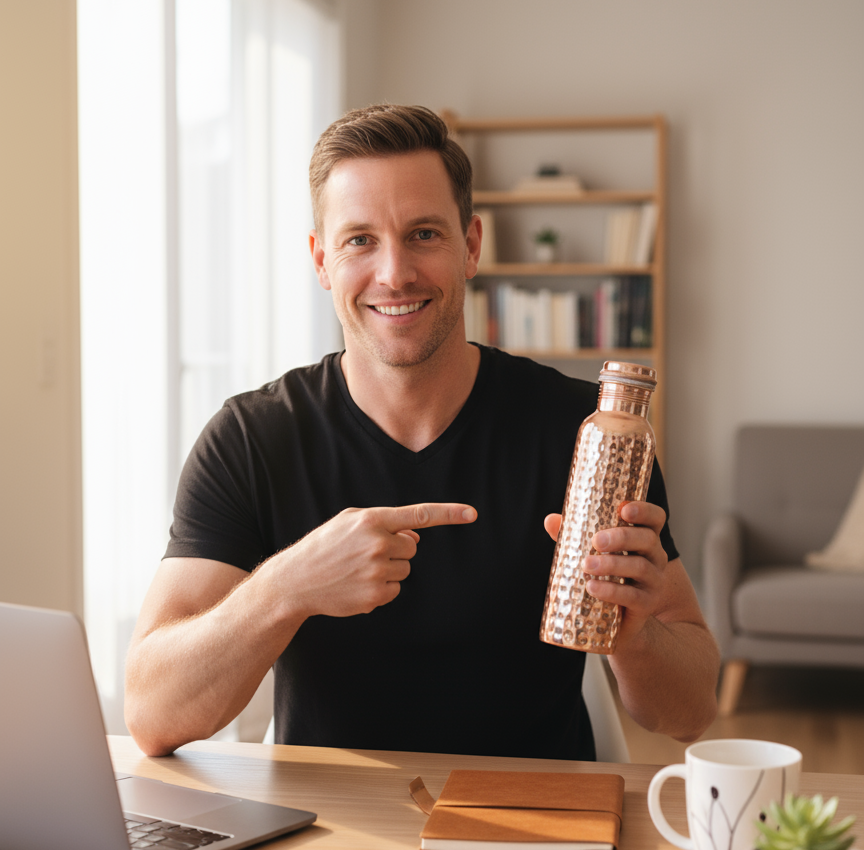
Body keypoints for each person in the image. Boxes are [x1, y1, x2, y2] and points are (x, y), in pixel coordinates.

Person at [125, 104, 719, 760]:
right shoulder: (249, 439)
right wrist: (286, 586)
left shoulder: (587, 436)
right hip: (329, 834)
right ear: (321, 259)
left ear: (470, 245)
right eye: (360, 240)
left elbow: (692, 713)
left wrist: (636, 638)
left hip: (539, 828)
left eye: (424, 235)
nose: (395, 273)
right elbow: (152, 715)